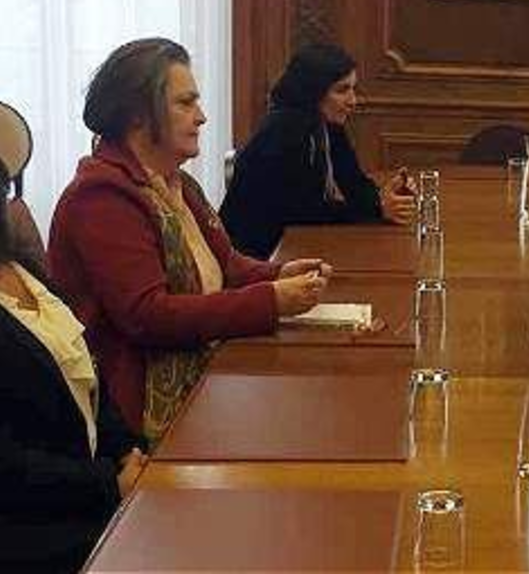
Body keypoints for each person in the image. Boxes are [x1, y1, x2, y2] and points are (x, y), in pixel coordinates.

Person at [48, 38, 329, 442]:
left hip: (209, 370)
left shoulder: (176, 182)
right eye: (185, 103)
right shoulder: (101, 197)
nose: (201, 117)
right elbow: (147, 316)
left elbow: (225, 266)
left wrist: (280, 273)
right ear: (138, 114)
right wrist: (271, 300)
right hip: (134, 411)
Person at [0, 102, 146, 573]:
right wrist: (109, 482)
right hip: (28, 539)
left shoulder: (10, 261)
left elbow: (82, 373)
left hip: (92, 500)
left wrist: (128, 449)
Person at [220, 43, 417, 259]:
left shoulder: (327, 123)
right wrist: (378, 209)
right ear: (313, 91)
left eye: (353, 89)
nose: (353, 101)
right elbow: (307, 213)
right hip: (254, 258)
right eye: (342, 90)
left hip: (295, 248)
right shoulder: (284, 133)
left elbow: (353, 183)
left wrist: (383, 196)